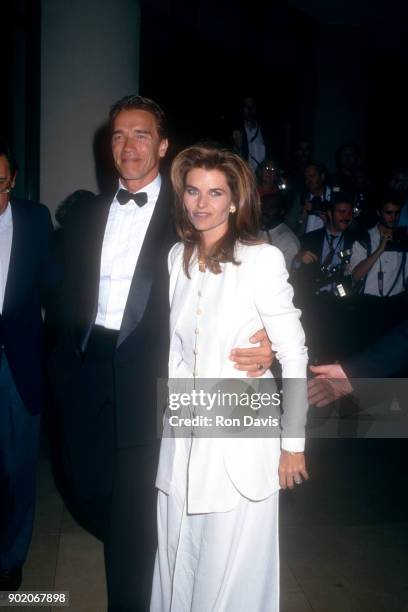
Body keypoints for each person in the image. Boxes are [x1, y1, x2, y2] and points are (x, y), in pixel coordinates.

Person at [51, 96, 273, 611]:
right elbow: (59, 291)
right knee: (86, 490)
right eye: (118, 136)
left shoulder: (187, 211)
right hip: (84, 371)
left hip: (150, 379)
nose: (128, 146)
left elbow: (240, 260)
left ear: (164, 145)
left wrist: (262, 337)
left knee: (132, 519)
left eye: (141, 134)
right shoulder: (85, 213)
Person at [150, 145, 308, 611]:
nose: (201, 203)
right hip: (182, 436)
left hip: (239, 437)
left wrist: (292, 444)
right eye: (193, 191)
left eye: (215, 193)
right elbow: (177, 352)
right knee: (178, 556)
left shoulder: (261, 260)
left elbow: (295, 354)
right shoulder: (176, 257)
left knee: (229, 573)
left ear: (235, 200)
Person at [0, 142, 55, 590]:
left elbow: (54, 291)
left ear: (13, 181)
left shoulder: (35, 220)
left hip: (20, 363)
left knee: (19, 468)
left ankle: (10, 556)